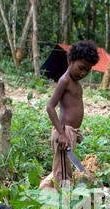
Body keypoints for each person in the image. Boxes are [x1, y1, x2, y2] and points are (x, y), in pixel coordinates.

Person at [39, 40, 100, 190]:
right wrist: (62, 133)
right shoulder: (65, 81)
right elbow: (50, 107)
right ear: (70, 61)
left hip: (70, 132)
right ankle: (61, 201)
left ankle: (49, 193)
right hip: (63, 132)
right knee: (62, 173)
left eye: (87, 70)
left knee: (64, 168)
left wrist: (74, 134)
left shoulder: (76, 84)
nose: (83, 73)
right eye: (81, 68)